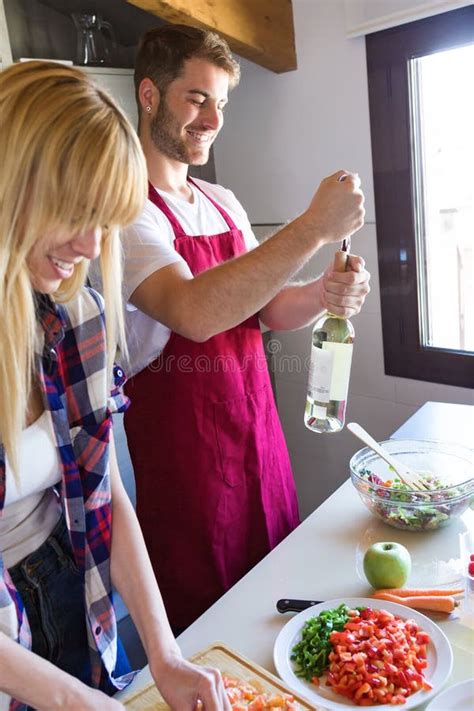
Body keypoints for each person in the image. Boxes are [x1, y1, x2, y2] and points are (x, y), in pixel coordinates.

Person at [117, 25, 370, 633]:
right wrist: (311, 228)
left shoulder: (223, 199)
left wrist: (320, 294)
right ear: (149, 95)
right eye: (196, 98)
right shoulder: (123, 211)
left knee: (275, 608)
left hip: (259, 441)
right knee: (210, 628)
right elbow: (196, 313)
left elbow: (263, 310)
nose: (212, 118)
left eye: (222, 102)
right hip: (187, 468)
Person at [0, 61, 231, 711]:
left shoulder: (77, 312)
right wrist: (75, 701)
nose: (88, 243)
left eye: (105, 217)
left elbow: (104, 488)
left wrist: (166, 656)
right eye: (73, 210)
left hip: (70, 589)